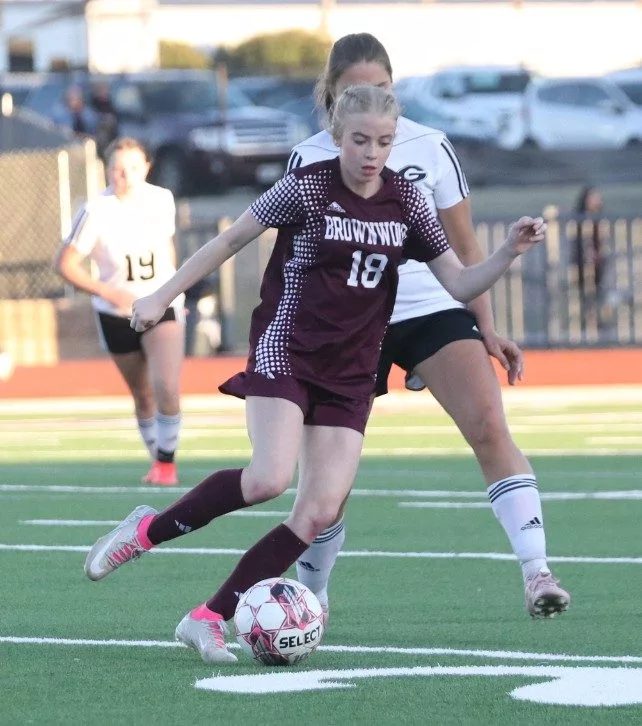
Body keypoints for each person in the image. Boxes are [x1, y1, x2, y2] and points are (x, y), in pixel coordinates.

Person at [82, 84, 546, 664]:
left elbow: (458, 282)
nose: (372, 153)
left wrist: (507, 253)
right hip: (289, 351)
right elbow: (230, 239)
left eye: (384, 141)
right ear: (337, 136)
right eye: (360, 140)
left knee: (320, 510)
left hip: (352, 370)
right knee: (268, 479)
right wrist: (161, 295)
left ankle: (207, 618)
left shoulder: (406, 199)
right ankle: (145, 532)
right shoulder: (307, 186)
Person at [288, 33, 570, 621]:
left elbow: (464, 247)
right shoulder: (308, 158)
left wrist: (486, 328)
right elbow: (294, 262)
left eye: (382, 89)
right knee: (327, 481)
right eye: (355, 93)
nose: (371, 105)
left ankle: (537, 571)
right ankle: (312, 597)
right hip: (345, 323)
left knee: (489, 424)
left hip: (430, 307)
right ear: (331, 96)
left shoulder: (430, 145)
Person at [53, 137, 184, 486]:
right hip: (115, 313)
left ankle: (166, 464)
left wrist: (172, 289)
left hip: (160, 304)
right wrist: (108, 291)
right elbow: (65, 264)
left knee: (166, 385)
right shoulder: (96, 210)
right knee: (142, 393)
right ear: (107, 170)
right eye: (118, 169)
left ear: (147, 168)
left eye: (134, 168)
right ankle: (157, 457)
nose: (126, 176)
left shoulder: (162, 199)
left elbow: (167, 249)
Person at [571, 185, 626, 332]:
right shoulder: (578, 222)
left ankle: (602, 323)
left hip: (601, 267)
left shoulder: (601, 221)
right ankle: (589, 324)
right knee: (587, 295)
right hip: (582, 267)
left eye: (597, 198)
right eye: (593, 198)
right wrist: (586, 255)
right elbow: (576, 247)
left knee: (604, 294)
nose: (596, 201)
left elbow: (605, 245)